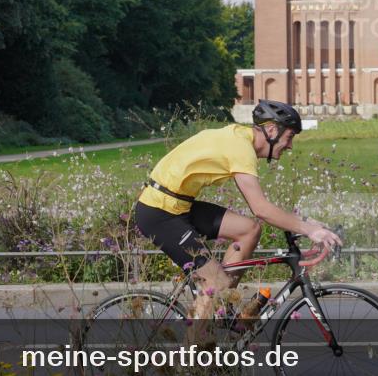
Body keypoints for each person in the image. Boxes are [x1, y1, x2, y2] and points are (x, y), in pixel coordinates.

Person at [134, 100, 342, 321]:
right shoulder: (241, 148)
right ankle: (193, 350)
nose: (290, 146)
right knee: (215, 282)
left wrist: (308, 223)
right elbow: (261, 208)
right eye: (289, 137)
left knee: (249, 230)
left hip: (177, 204)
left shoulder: (240, 138)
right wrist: (309, 230)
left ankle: (220, 306)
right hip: (159, 212)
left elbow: (260, 212)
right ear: (271, 130)